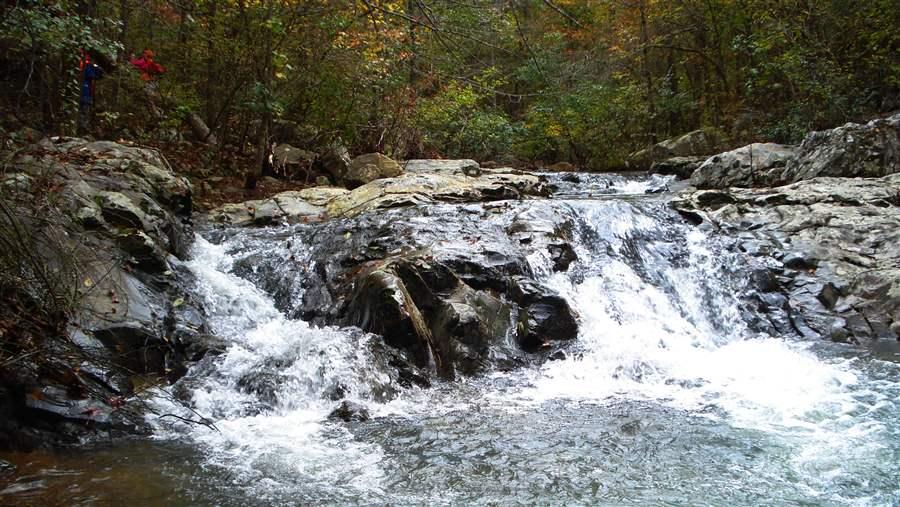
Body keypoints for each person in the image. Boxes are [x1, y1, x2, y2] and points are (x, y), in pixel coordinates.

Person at [78, 50, 104, 133]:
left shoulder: (88, 65)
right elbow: (93, 75)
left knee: (84, 109)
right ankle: (82, 127)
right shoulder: (84, 65)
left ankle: (83, 127)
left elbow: (99, 74)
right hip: (84, 91)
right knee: (83, 110)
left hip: (86, 91)